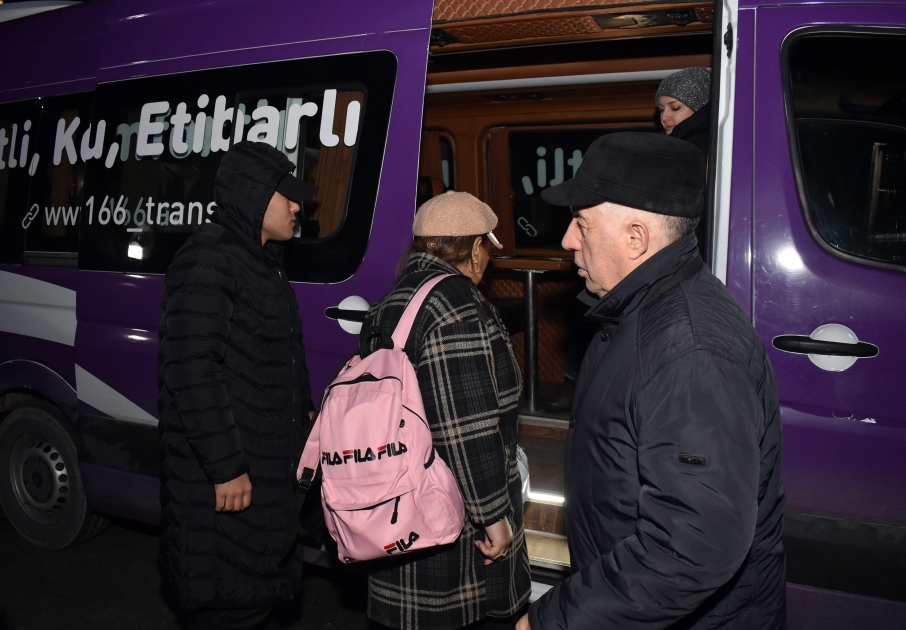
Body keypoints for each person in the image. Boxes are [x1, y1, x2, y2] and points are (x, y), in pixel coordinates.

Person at [517, 132, 785, 629]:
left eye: (581, 223)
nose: (568, 240)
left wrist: (555, 619)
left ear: (635, 238)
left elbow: (691, 548)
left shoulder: (691, 353)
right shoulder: (640, 311)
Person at [158, 141, 317, 630]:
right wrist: (226, 467)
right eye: (287, 195)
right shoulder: (208, 259)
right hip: (232, 479)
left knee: (256, 597)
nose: (298, 206)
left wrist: (305, 414)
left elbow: (278, 355)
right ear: (253, 195)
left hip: (265, 471)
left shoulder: (261, 260)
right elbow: (190, 368)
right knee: (231, 604)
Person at [363, 191, 531, 630]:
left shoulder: (389, 304)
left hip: (395, 503)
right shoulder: (457, 308)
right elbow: (466, 430)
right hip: (449, 523)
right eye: (487, 249)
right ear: (475, 248)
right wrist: (493, 518)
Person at [656, 66, 712, 157]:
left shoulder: (704, 147)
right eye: (661, 109)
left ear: (700, 108)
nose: (664, 118)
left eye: (675, 108)